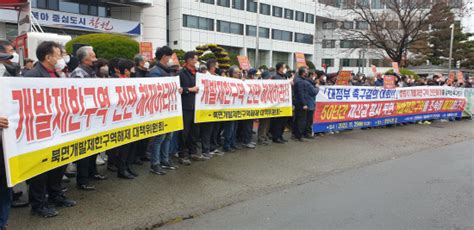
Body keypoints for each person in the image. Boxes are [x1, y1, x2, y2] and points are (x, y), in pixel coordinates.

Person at [24, 41, 76, 218]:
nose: (62, 58)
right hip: (41, 131)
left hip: (60, 128)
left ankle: (56, 195)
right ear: (48, 57)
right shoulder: (32, 76)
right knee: (40, 169)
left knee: (58, 164)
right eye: (59, 55)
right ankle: (38, 204)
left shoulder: (60, 74)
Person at [70, 46, 106, 190]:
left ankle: (92, 173)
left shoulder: (93, 73)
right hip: (83, 118)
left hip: (94, 117)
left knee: (94, 147)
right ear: (85, 59)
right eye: (93, 56)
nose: (95, 58)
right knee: (84, 151)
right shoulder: (78, 73)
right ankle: (82, 180)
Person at [146, 46, 180, 175]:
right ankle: (155, 164)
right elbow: (153, 90)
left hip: (169, 108)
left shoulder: (168, 71)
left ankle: (164, 160)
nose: (170, 59)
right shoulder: (155, 71)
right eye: (169, 56)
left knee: (168, 136)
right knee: (159, 138)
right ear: (164, 56)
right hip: (159, 110)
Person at [178, 51, 203, 164]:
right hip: (185, 106)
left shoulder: (197, 73)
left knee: (195, 131)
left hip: (196, 106)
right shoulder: (181, 73)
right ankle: (182, 154)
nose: (196, 61)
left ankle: (193, 152)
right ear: (188, 60)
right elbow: (178, 89)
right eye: (194, 59)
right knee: (184, 132)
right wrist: (190, 89)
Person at [199, 59, 223, 158]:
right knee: (207, 130)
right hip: (207, 108)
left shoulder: (217, 77)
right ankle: (205, 149)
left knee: (215, 129)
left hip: (217, 107)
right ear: (213, 67)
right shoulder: (205, 77)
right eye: (217, 66)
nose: (218, 68)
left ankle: (213, 147)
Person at [293, 67, 317, 141]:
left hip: (299, 103)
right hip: (300, 104)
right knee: (301, 120)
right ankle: (299, 136)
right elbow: (301, 94)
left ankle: (297, 135)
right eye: (306, 71)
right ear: (303, 73)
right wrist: (304, 104)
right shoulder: (300, 82)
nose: (307, 73)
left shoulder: (300, 80)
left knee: (299, 119)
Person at [222, 66, 242, 152]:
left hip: (236, 108)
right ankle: (226, 145)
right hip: (229, 108)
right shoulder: (227, 82)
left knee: (234, 128)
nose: (238, 74)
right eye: (236, 72)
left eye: (239, 72)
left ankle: (232, 143)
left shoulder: (239, 82)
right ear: (231, 74)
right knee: (229, 128)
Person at [270, 63, 289, 144]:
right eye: (284, 67)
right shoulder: (275, 77)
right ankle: (276, 137)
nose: (285, 69)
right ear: (280, 68)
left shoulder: (284, 76)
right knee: (277, 121)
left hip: (284, 102)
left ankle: (280, 136)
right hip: (277, 102)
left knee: (283, 121)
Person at [239, 68, 257, 149]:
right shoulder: (245, 81)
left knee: (250, 125)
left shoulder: (253, 81)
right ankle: (246, 141)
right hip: (246, 107)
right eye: (255, 74)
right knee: (247, 125)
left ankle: (248, 140)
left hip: (251, 106)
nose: (256, 76)